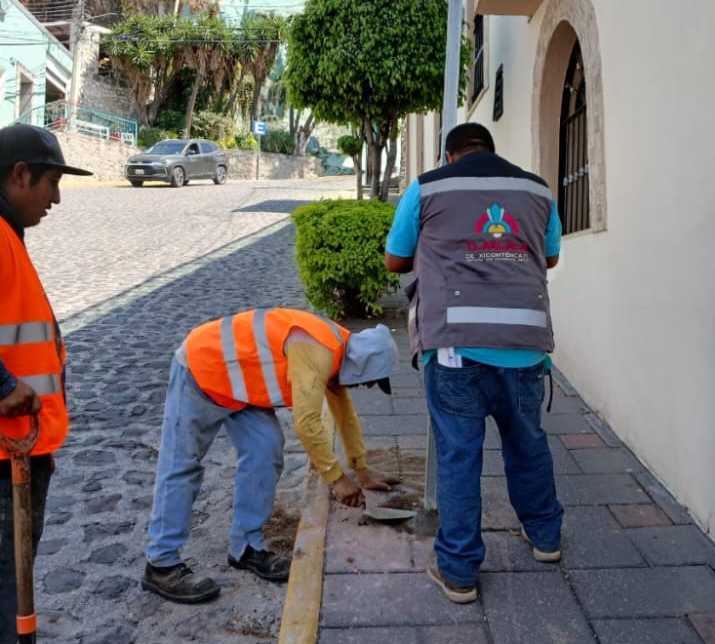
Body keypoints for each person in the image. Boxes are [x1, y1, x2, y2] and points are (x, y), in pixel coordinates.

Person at [385, 122, 565, 606]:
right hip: (524, 346)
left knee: (459, 455)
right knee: (528, 443)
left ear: (449, 156)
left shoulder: (426, 188)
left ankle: (459, 571)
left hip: (454, 348)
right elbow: (549, 257)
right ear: (491, 150)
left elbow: (394, 260)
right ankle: (545, 537)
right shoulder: (537, 189)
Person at [142, 310, 401, 604]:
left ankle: (246, 548)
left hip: (242, 385)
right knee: (182, 465)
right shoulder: (318, 351)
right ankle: (161, 564)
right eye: (370, 380)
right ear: (361, 365)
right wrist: (337, 479)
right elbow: (307, 423)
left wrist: (361, 469)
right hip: (203, 370)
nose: (366, 386)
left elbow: (345, 414)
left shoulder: (339, 351)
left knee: (265, 450)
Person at [0, 125, 88, 644]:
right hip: (5, 455)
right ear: (20, 175)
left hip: (22, 446)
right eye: (51, 182)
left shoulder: (9, 233)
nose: (55, 198)